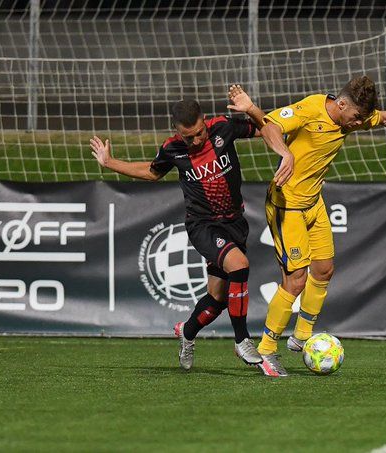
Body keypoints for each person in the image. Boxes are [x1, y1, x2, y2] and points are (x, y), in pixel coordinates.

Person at [242, 75, 386, 376]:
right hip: (286, 204)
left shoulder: (349, 117)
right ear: (341, 104)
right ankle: (266, 349)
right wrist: (285, 153)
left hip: (313, 203)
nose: (358, 124)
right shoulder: (310, 109)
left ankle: (302, 335)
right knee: (296, 280)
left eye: (361, 119)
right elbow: (269, 126)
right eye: (356, 117)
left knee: (324, 270)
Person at [89, 93, 293, 374]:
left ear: (205, 122)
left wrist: (260, 118)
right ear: (177, 132)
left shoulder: (223, 127)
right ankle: (242, 340)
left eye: (199, 134)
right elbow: (151, 172)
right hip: (203, 225)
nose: (196, 141)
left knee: (218, 299)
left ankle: (187, 331)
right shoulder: (172, 149)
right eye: (189, 138)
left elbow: (266, 126)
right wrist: (110, 163)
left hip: (235, 222)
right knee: (240, 266)